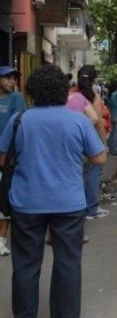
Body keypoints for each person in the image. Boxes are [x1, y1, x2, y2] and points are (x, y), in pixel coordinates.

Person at [0, 64, 106, 318]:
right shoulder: (78, 120)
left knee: (25, 264)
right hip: (69, 202)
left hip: (26, 203)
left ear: (33, 91)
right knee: (68, 263)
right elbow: (100, 158)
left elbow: (3, 159)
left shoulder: (20, 120)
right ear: (63, 91)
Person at [70, 65, 110, 221]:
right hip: (90, 140)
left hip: (71, 141)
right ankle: (91, 209)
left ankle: (77, 208)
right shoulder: (93, 97)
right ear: (93, 80)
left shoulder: (69, 94)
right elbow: (98, 122)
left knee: (76, 174)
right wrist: (103, 144)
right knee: (94, 172)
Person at [0, 65, 26, 256]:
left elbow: (19, 123)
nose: (12, 81)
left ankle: (1, 240)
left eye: (14, 78)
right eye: (7, 78)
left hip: (7, 156)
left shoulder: (16, 98)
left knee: (4, 199)